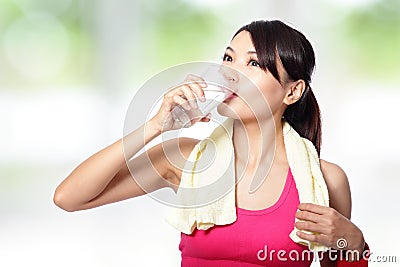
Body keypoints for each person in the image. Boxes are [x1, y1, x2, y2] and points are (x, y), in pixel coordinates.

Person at [54, 20, 369, 266]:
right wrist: (154, 128)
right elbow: (69, 197)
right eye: (228, 58)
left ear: (292, 92)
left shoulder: (325, 180)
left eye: (254, 64)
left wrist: (354, 242)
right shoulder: (184, 158)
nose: (230, 73)